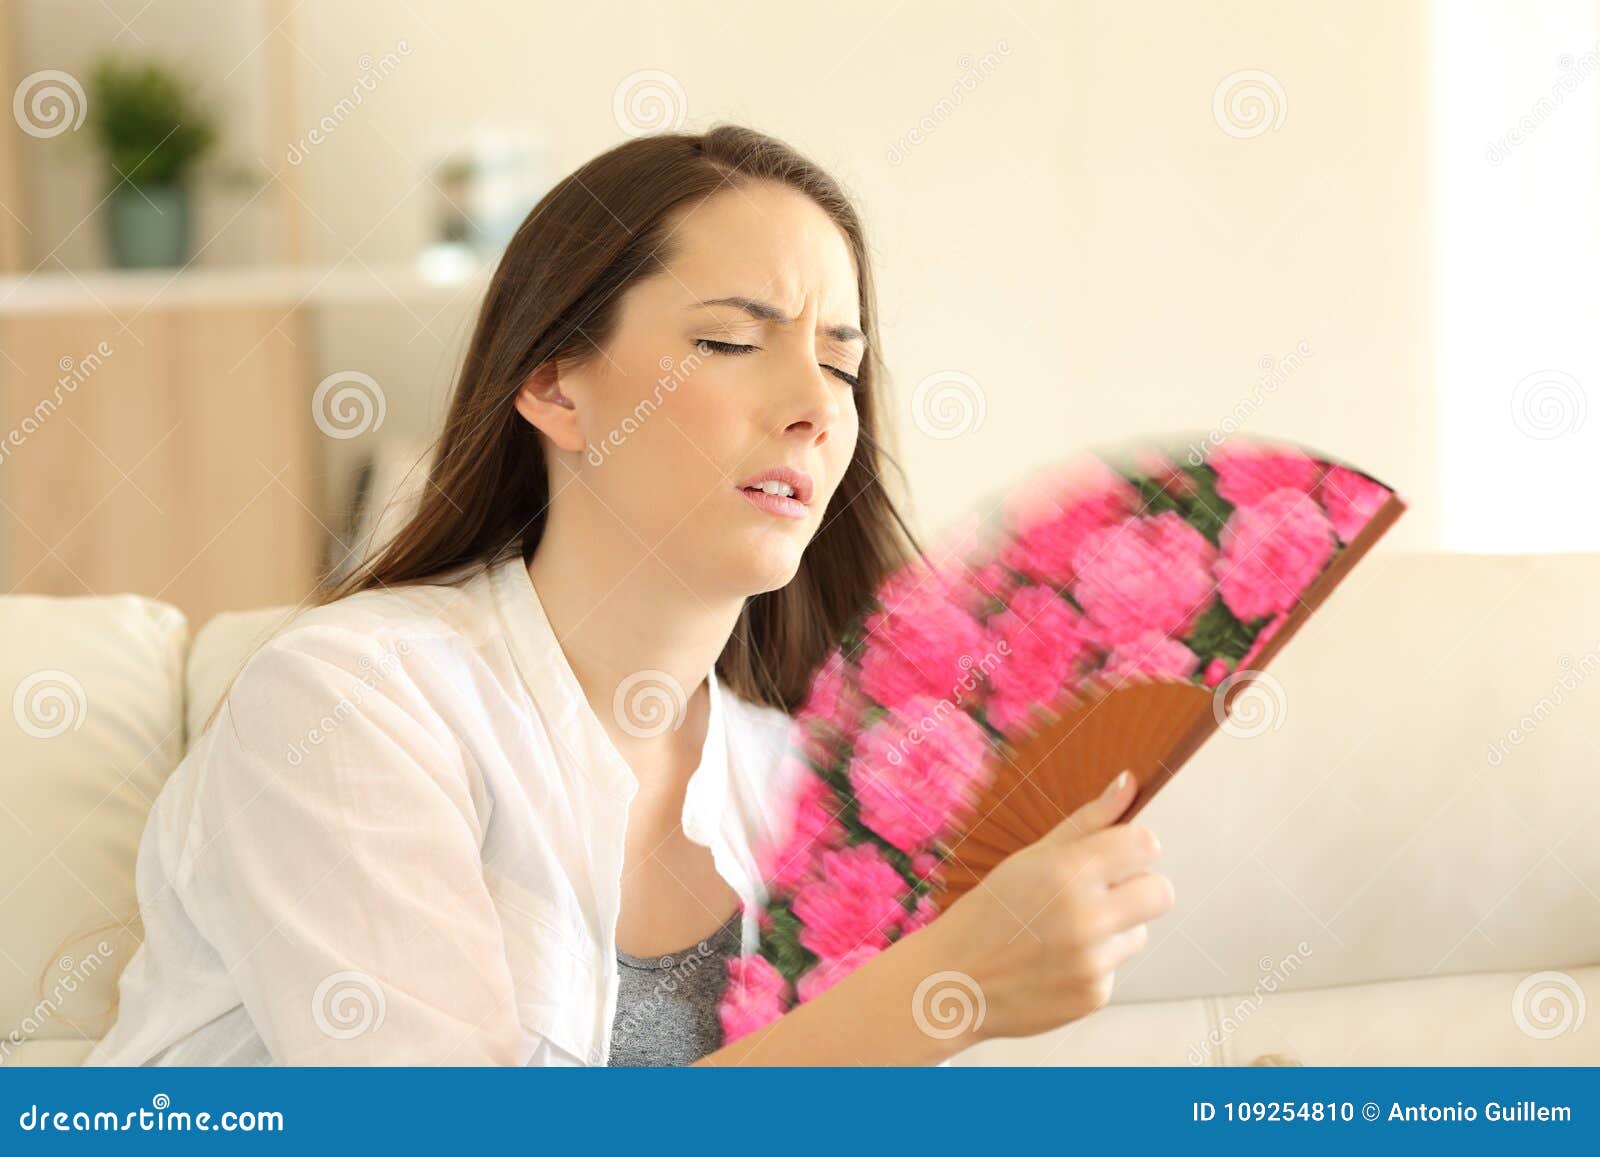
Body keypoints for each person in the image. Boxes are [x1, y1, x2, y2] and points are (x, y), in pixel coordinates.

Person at [82, 124, 1172, 1067]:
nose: (814, 406)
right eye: (729, 340)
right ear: (555, 382)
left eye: (840, 364)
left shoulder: (795, 783)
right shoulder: (349, 704)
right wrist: (940, 992)